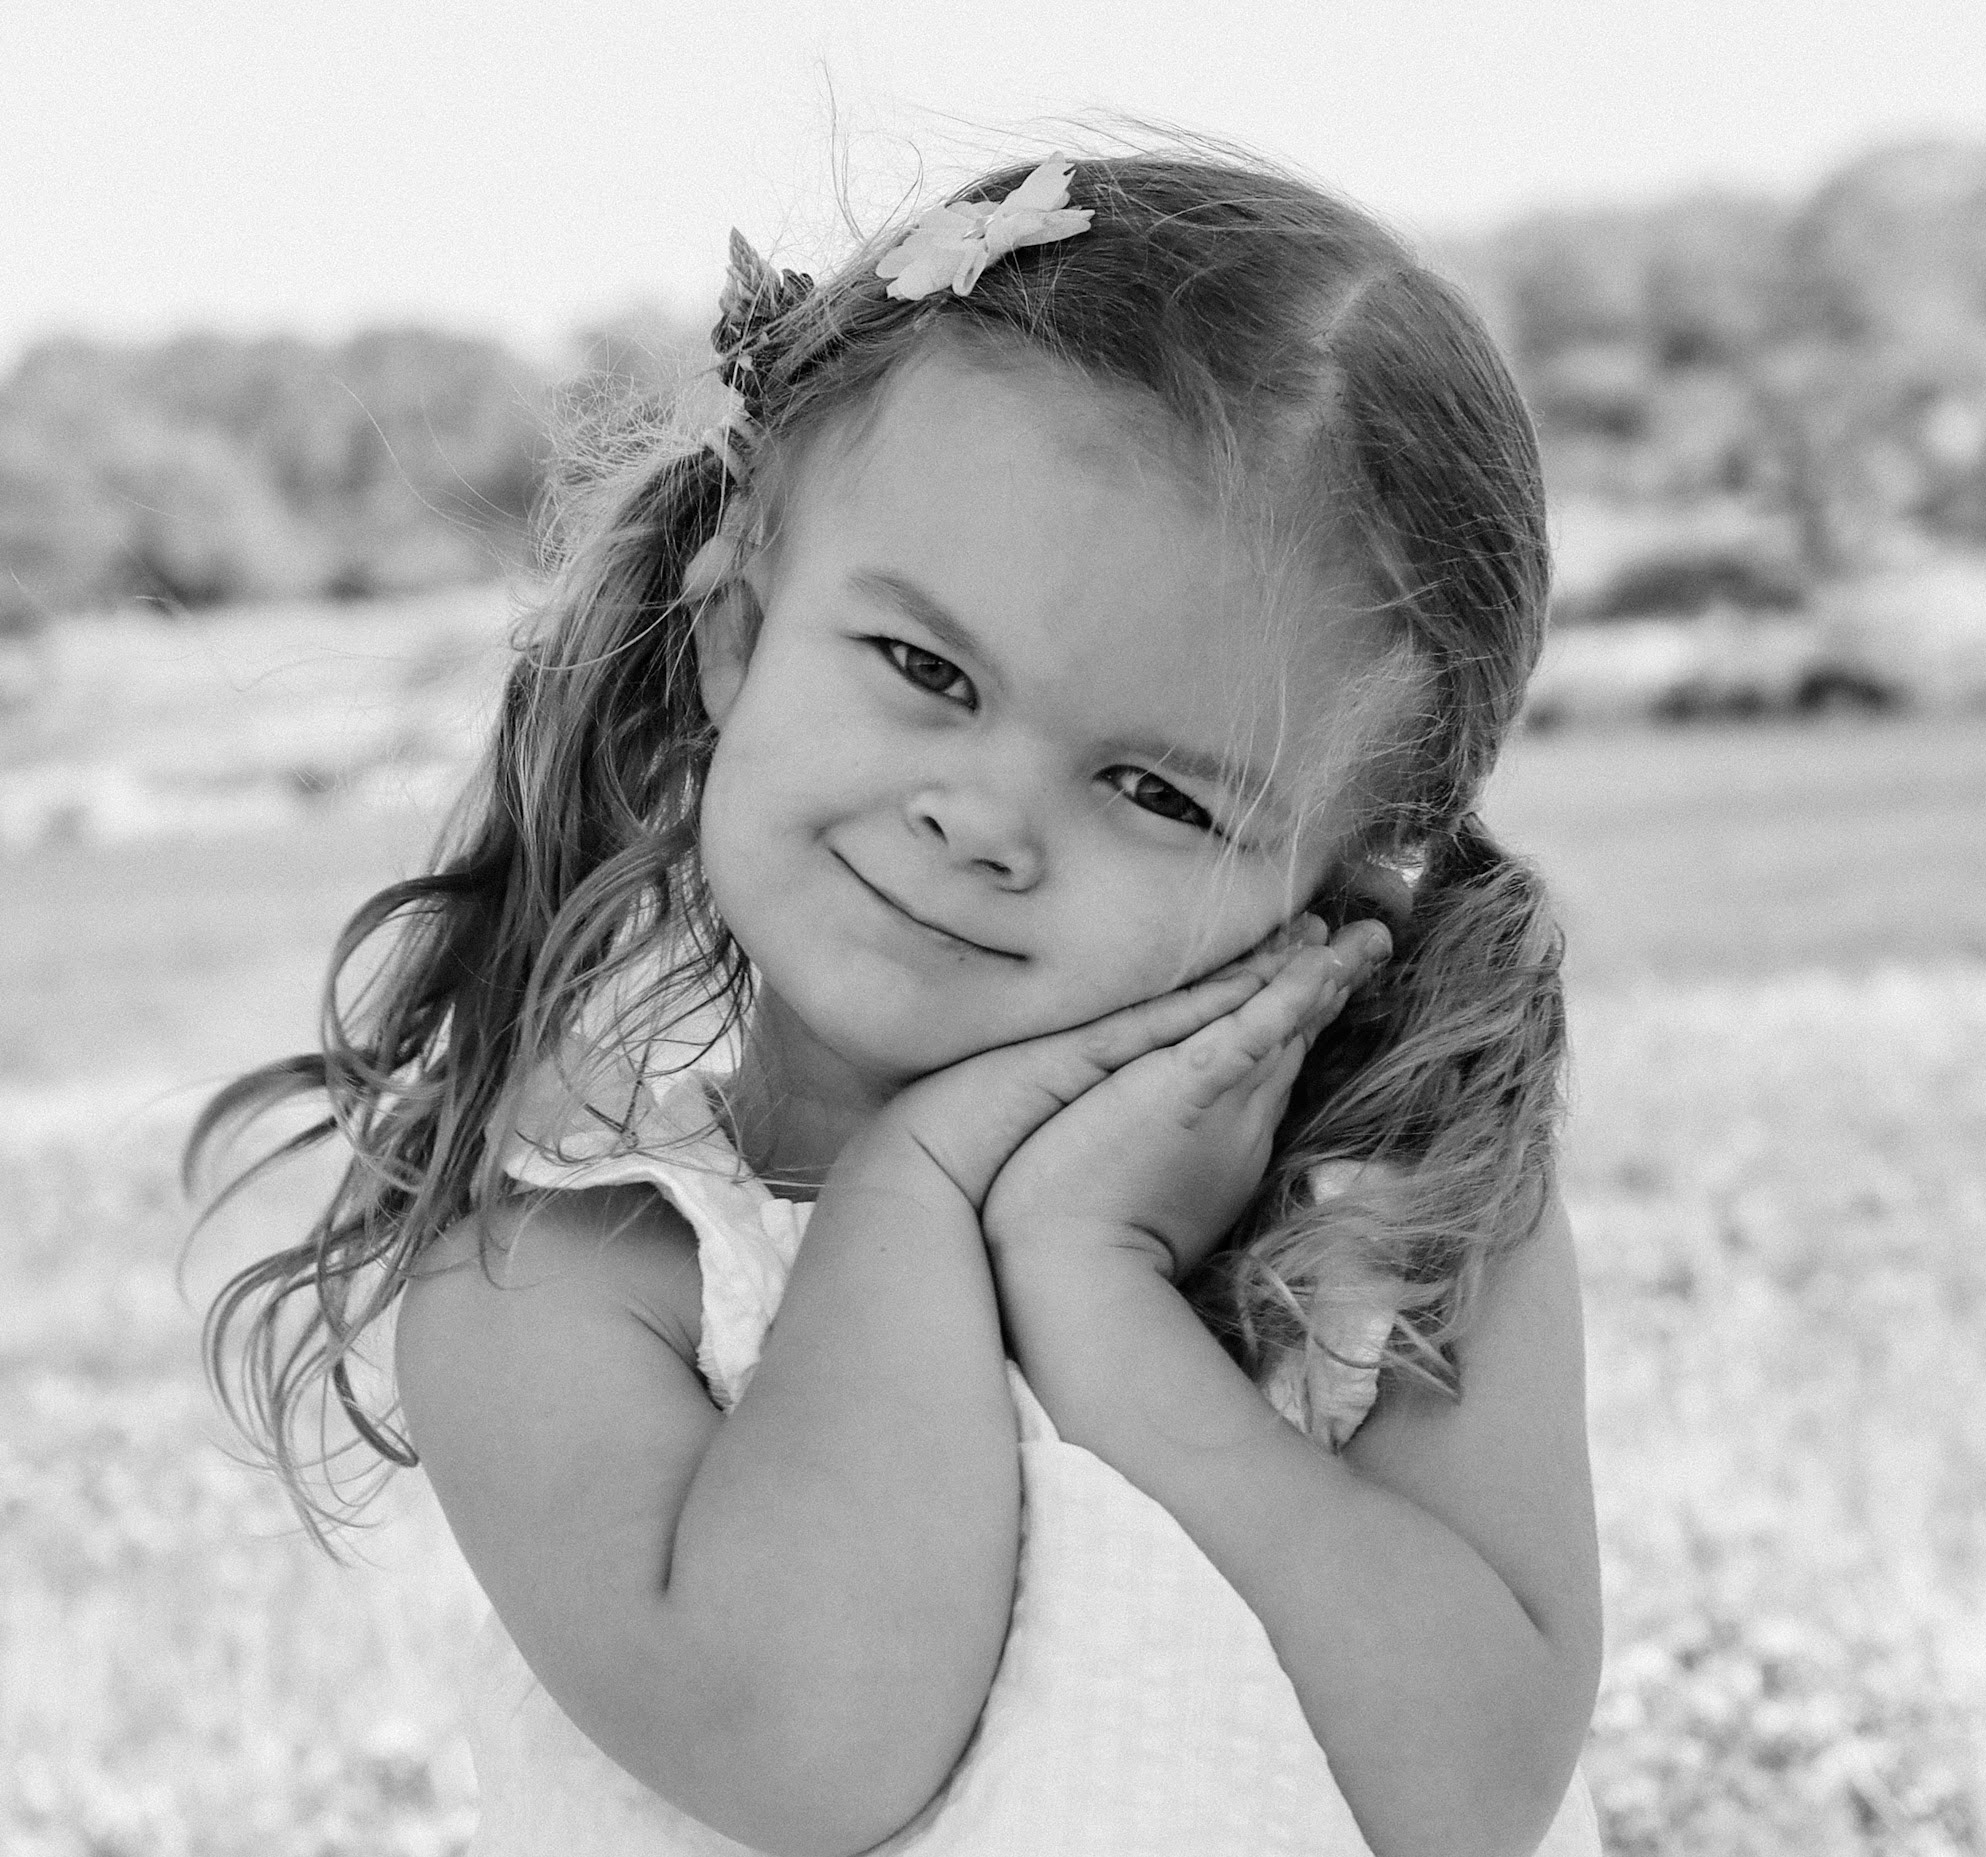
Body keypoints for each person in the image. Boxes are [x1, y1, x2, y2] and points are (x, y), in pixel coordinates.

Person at [196, 148, 1605, 1857]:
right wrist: (916, 1191)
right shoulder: (572, 1279)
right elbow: (812, 1749)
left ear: (1349, 872)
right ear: (737, 630)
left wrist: (1098, 1289)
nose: (982, 819)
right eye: (928, 671)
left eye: (1157, 791)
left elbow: (1469, 1800)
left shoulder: (1399, 1213)